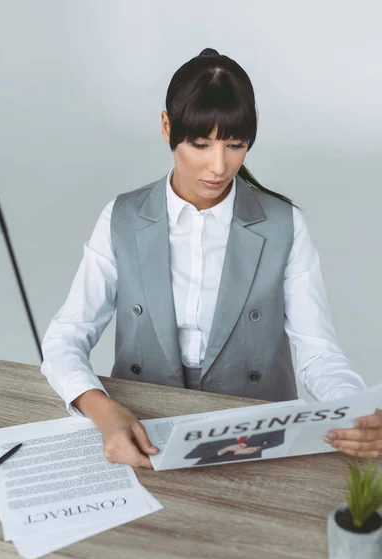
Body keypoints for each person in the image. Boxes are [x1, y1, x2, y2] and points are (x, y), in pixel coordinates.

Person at [41, 48, 382, 470]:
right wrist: (102, 410)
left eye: (235, 145)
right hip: (143, 424)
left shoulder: (284, 224)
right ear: (167, 127)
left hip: (256, 431)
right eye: (200, 144)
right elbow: (65, 337)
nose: (218, 166)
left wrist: (354, 409)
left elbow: (318, 351)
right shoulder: (122, 217)